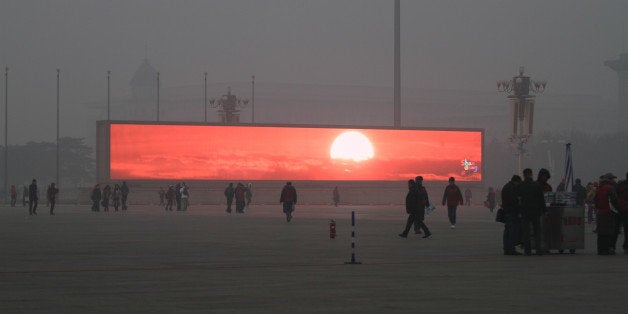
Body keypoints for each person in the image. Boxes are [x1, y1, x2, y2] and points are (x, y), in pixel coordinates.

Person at [519, 168, 546, 256]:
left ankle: (528, 251)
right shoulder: (536, 185)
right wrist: (544, 210)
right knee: (537, 231)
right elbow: (541, 199)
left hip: (525, 211)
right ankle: (538, 250)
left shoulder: (521, 185)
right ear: (531, 174)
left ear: (524, 175)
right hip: (535, 211)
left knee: (526, 232)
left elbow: (518, 198)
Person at [595, 173, 620, 255]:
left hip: (600, 212)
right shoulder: (610, 188)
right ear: (609, 180)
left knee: (601, 232)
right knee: (609, 231)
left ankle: (600, 249)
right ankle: (608, 249)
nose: (614, 180)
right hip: (609, 212)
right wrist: (617, 208)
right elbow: (614, 199)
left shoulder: (599, 188)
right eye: (612, 179)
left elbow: (595, 201)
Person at [501, 175, 523, 255]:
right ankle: (511, 249)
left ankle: (506, 248)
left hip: (507, 211)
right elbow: (514, 201)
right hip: (512, 212)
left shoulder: (506, 187)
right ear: (516, 181)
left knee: (507, 231)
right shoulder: (511, 188)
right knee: (512, 231)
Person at [615, 172, 628, 254]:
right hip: (624, 208)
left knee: (626, 228)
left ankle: (626, 246)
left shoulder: (621, 184)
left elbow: (616, 196)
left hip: (623, 209)